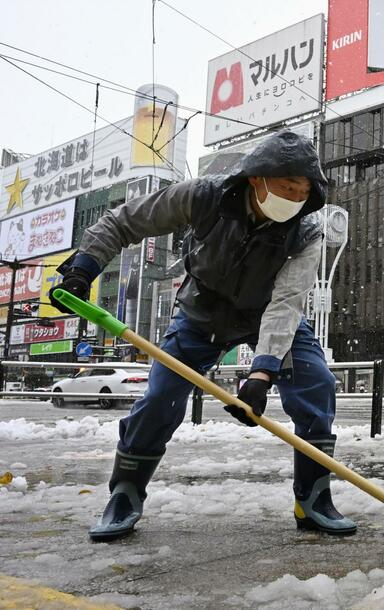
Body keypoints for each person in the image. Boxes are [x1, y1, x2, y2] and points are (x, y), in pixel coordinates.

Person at [49, 131, 358, 541]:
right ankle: (125, 493)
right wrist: (84, 267)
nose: (295, 198)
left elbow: (286, 302)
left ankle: (314, 497)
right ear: (257, 179)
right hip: (201, 313)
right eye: (287, 188)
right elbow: (124, 221)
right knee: (160, 398)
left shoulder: (306, 230)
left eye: (303, 191)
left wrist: (262, 373)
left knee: (316, 384)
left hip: (267, 312)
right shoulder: (203, 197)